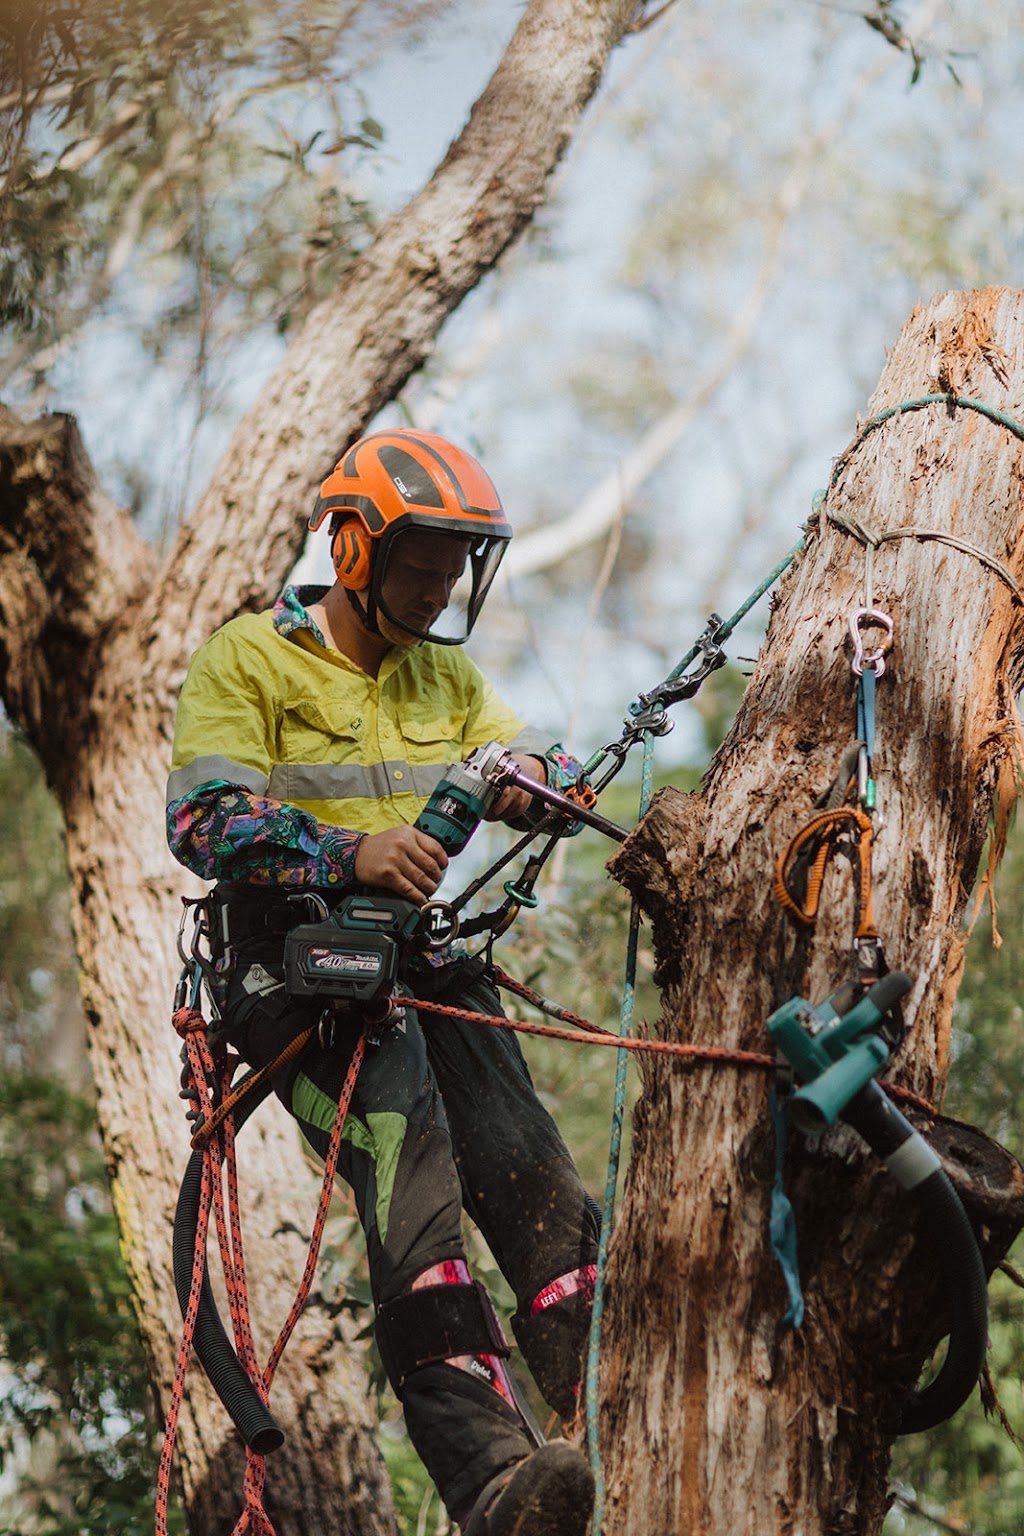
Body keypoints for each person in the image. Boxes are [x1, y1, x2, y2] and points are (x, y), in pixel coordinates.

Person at [166, 428, 600, 1535]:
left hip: (430, 961)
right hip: (294, 990)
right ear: (353, 545)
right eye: (423, 557)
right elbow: (199, 819)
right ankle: (495, 1485)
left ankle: (616, 1389)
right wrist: (344, 853)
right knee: (413, 1190)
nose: (441, 580)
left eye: (458, 560)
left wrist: (529, 782)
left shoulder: (443, 674)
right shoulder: (248, 660)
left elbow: (527, 754)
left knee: (532, 1171)